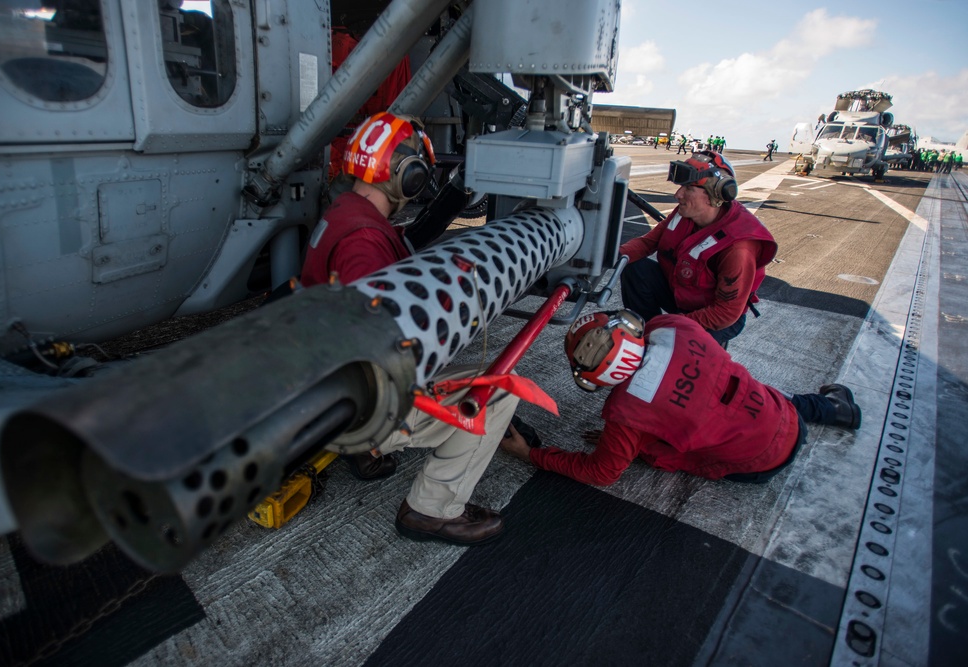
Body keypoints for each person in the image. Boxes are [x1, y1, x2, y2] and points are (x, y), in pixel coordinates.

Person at [302, 111, 518, 544]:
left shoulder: (347, 213)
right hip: (350, 401)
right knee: (498, 393)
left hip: (320, 383)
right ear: (408, 175)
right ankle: (432, 510)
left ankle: (365, 448)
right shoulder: (365, 243)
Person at [499, 310, 862, 486]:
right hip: (783, 415)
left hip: (758, 465)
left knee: (669, 451)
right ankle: (835, 409)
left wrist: (530, 454)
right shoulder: (673, 326)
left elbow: (602, 472)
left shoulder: (626, 415)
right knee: (753, 394)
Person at [617, 150, 778, 348]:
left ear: (715, 193)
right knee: (635, 267)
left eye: (688, 188)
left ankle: (669, 341)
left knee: (679, 355)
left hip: (714, 317)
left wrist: (669, 326)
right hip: (681, 294)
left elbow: (725, 313)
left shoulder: (738, 247)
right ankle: (645, 335)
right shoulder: (685, 213)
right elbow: (647, 243)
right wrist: (609, 257)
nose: (678, 195)